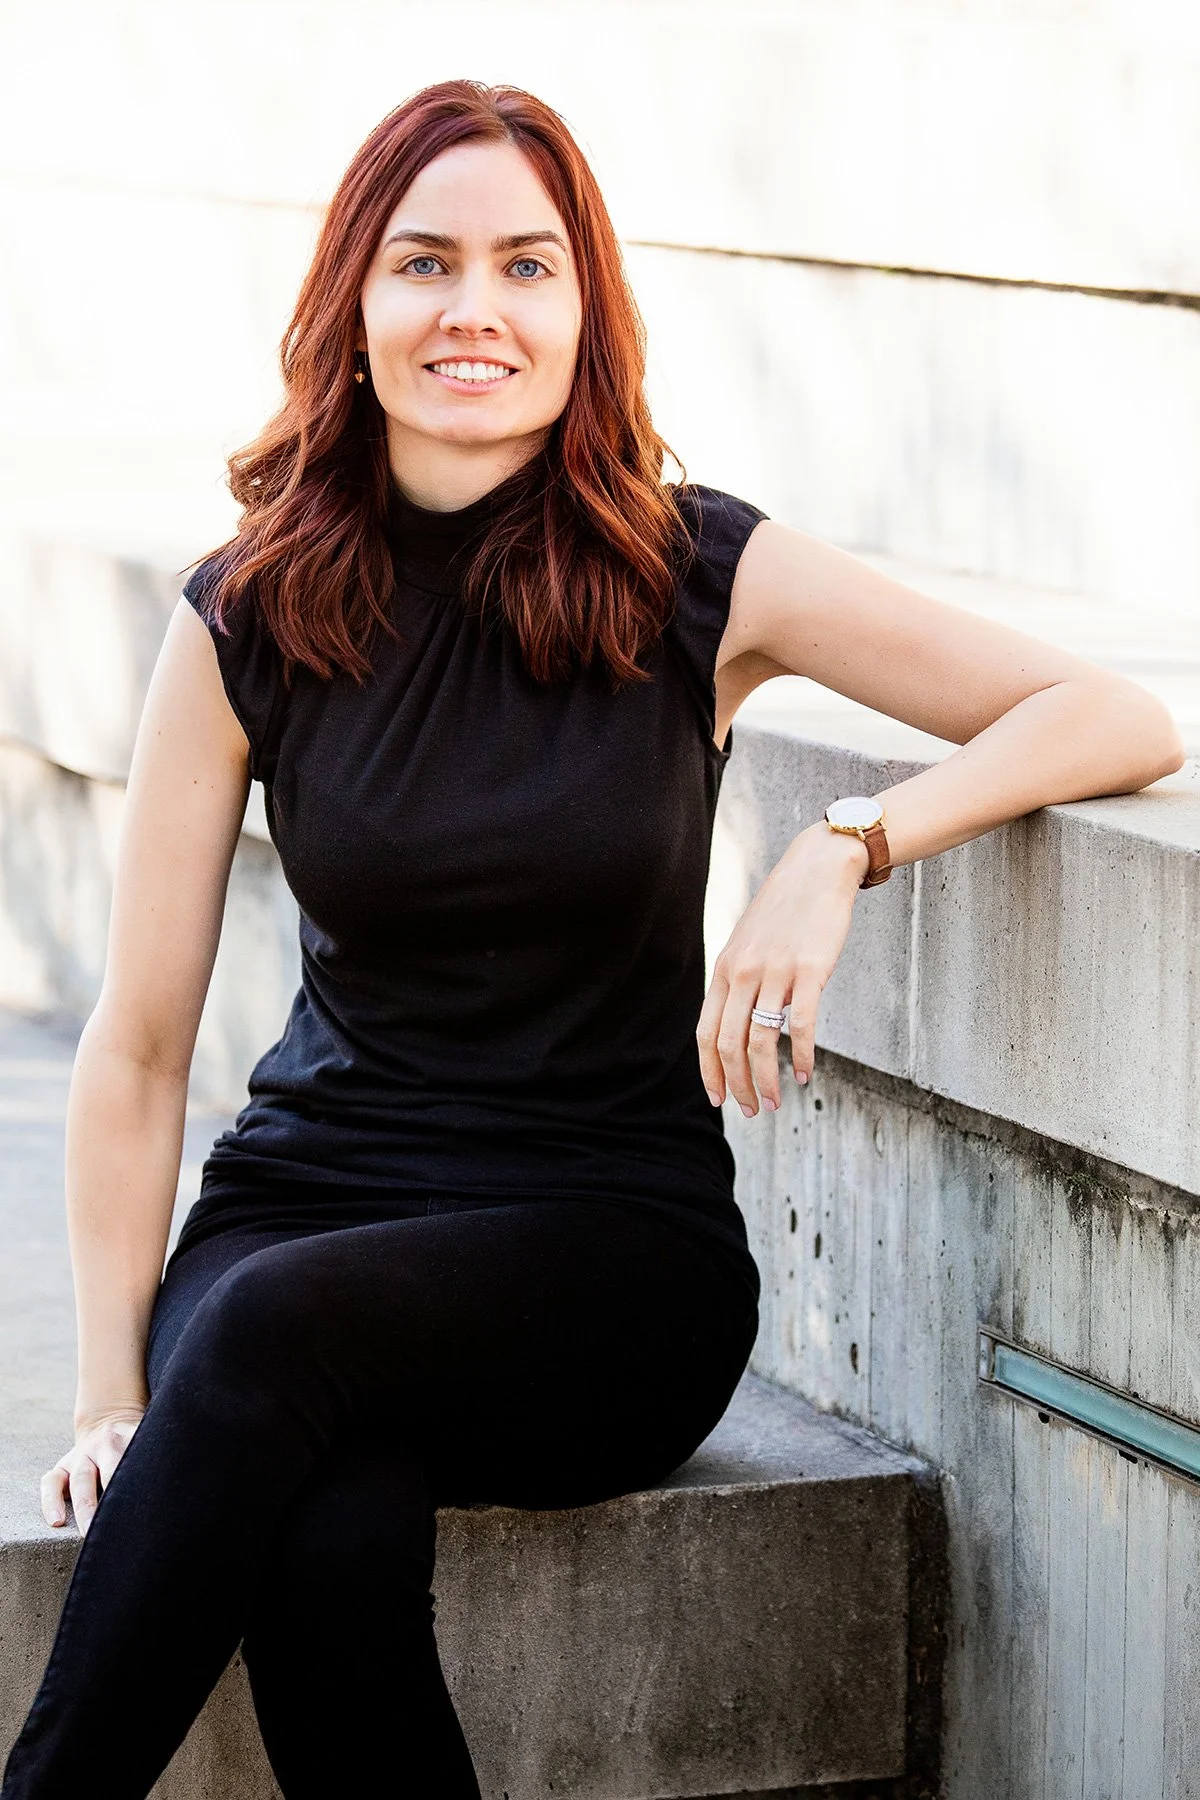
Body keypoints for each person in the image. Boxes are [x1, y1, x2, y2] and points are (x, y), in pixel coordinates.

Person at [2, 78, 1183, 1800]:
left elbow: (1110, 713)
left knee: (266, 1345)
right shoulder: (249, 611)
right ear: (353, 307)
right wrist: (113, 1391)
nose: (473, 308)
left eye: (525, 266)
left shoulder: (696, 573)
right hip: (307, 1218)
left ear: (585, 310)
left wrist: (846, 845)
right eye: (423, 264)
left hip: (603, 1251)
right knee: (324, 1540)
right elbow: (141, 1043)